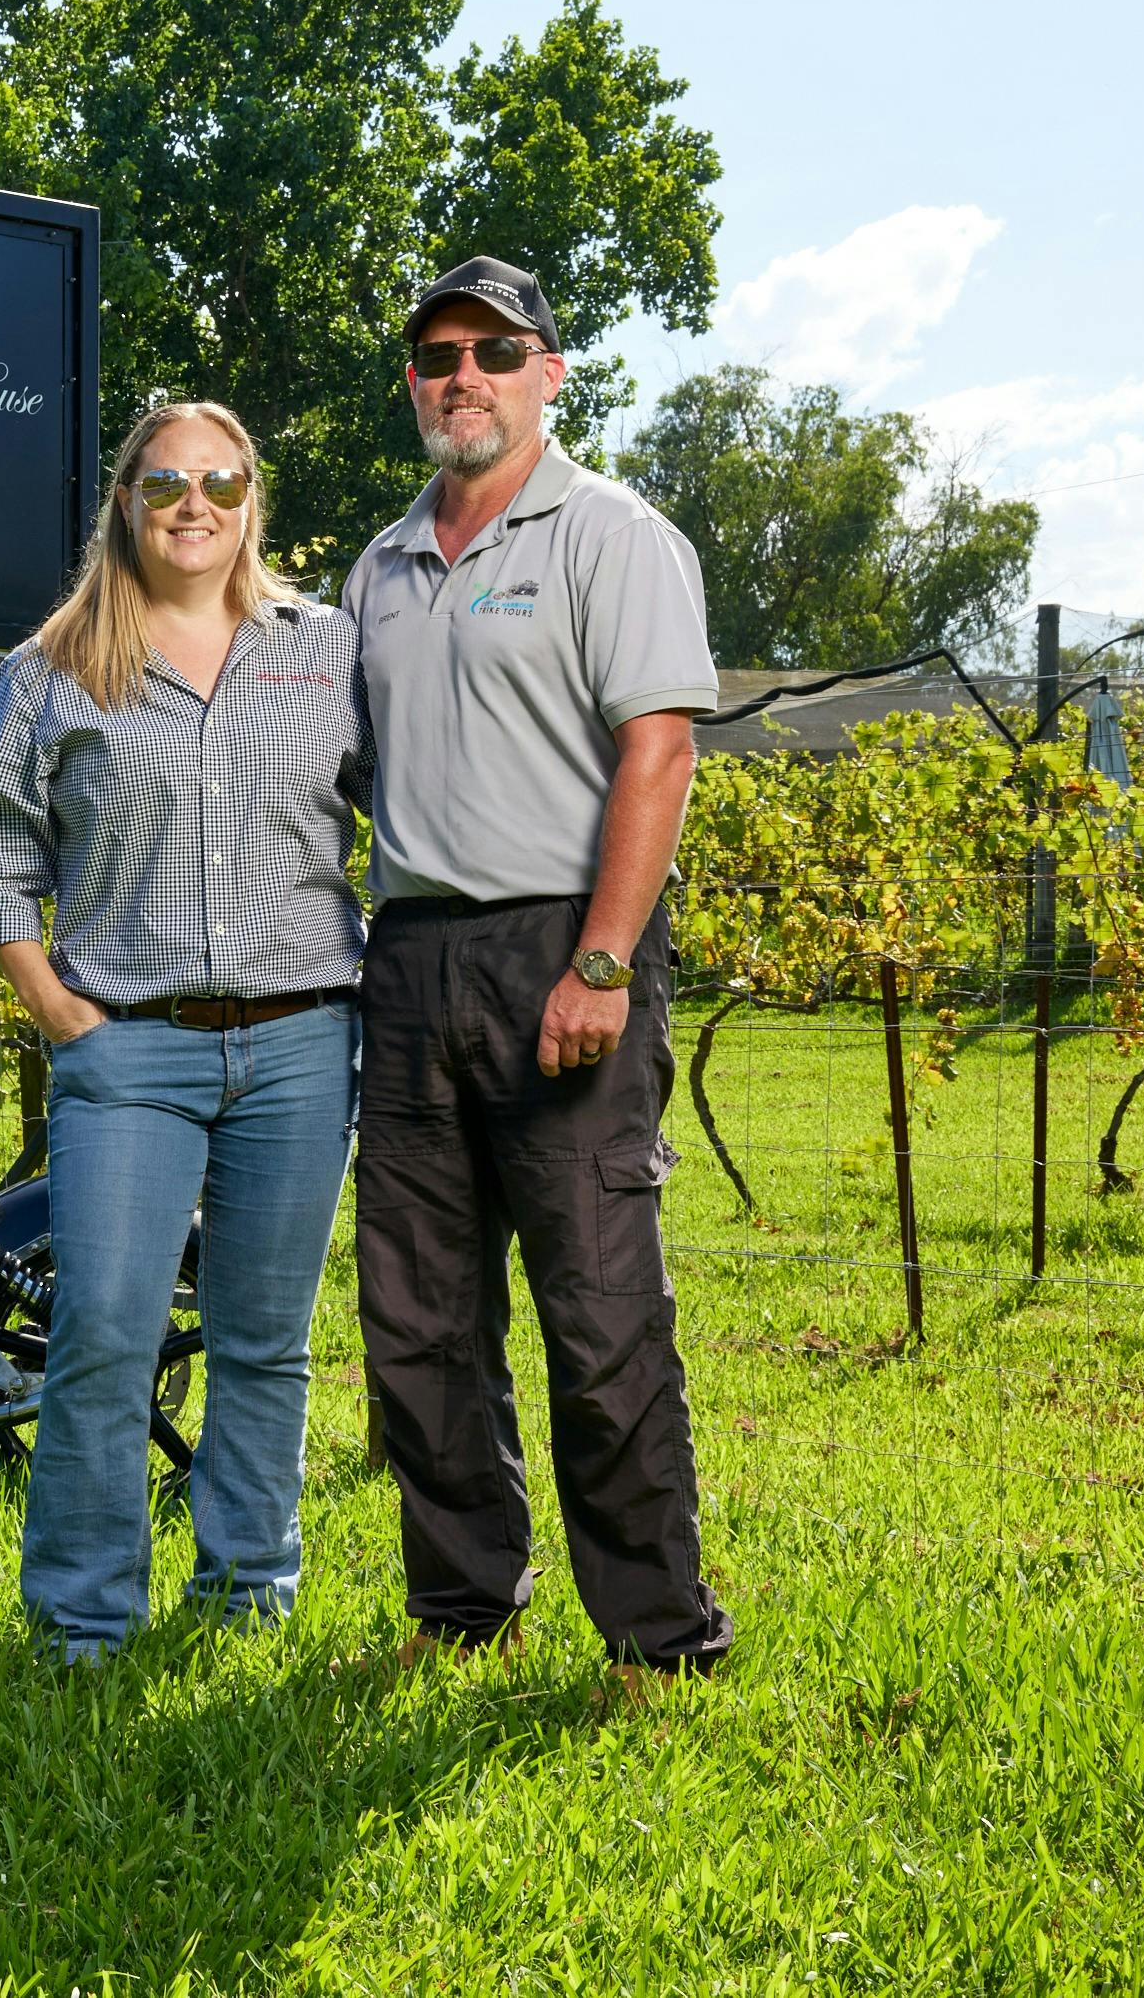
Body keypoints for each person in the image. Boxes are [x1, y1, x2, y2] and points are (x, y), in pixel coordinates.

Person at [340, 254, 735, 1687]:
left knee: (599, 1309)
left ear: (548, 374)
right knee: (418, 1316)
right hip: (410, 960)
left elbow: (658, 752)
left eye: (495, 351)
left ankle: (656, 1638)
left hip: (564, 950)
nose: (465, 375)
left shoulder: (611, 534)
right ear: (413, 381)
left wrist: (604, 960)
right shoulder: (377, 567)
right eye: (439, 354)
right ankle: (463, 1611)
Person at [0, 399, 368, 1658]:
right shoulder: (53, 667)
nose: (196, 504)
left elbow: (410, 806)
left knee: (263, 1339)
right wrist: (58, 1010)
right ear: (125, 502)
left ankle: (247, 1593)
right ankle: (82, 1620)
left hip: (301, 1044)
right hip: (127, 1048)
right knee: (104, 1333)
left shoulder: (326, 650)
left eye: (221, 482)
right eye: (166, 482)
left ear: (251, 501)